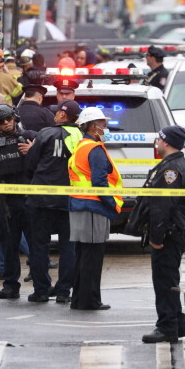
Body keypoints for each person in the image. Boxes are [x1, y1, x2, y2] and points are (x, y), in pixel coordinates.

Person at [132, 126, 185, 343]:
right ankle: (178, 322)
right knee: (169, 279)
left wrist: (157, 237)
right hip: (172, 233)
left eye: (159, 139)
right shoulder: (173, 165)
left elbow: (162, 206)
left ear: (166, 142)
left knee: (164, 281)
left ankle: (167, 327)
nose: (156, 142)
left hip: (168, 236)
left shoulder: (171, 170)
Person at [26, 99, 83, 303]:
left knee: (39, 246)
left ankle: (41, 290)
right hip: (70, 201)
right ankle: (63, 291)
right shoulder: (81, 139)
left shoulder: (46, 134)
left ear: (61, 115)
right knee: (69, 247)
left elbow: (31, 163)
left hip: (41, 199)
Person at [68, 106, 123, 310]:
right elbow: (100, 182)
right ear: (92, 126)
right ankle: (89, 301)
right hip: (93, 207)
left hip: (79, 205)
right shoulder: (94, 149)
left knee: (83, 255)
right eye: (102, 123)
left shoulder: (81, 146)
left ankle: (79, 299)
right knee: (92, 256)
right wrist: (111, 205)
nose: (105, 126)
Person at [0, 105, 39, 301]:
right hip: (8, 204)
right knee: (9, 246)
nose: (6, 123)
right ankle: (10, 285)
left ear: (14, 118)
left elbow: (47, 159)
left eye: (8, 119)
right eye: (1, 121)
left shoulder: (32, 136)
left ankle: (41, 286)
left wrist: (33, 150)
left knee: (36, 245)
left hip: (31, 201)